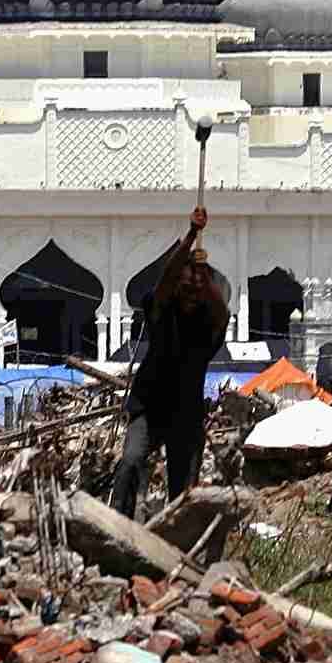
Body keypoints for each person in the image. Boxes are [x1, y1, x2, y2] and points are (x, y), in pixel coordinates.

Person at [109, 206, 230, 518]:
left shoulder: (208, 323)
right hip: (149, 406)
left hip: (185, 415)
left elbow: (221, 310)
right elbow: (165, 281)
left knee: (182, 490)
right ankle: (118, 522)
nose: (191, 291)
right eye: (186, 285)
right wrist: (190, 235)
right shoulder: (162, 310)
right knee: (131, 461)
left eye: (198, 287)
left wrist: (202, 275)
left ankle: (175, 543)